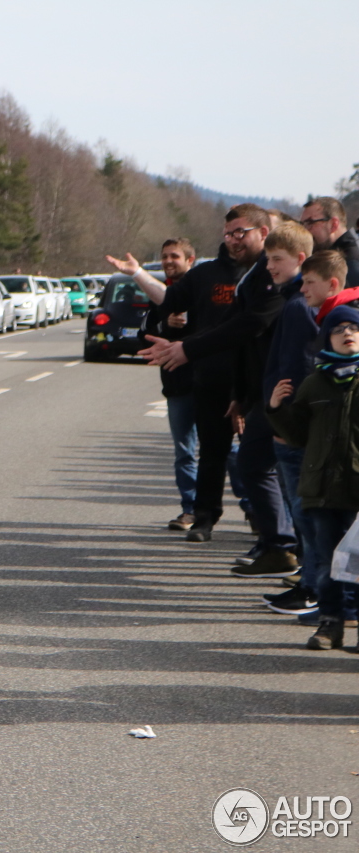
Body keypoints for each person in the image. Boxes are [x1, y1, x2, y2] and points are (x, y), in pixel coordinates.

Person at [130, 205, 282, 546]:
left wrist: (188, 347)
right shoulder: (204, 275)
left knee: (259, 461)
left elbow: (248, 326)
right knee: (212, 454)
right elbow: (169, 300)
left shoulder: (269, 276)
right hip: (211, 380)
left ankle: (266, 525)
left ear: (264, 232)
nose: (232, 240)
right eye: (228, 234)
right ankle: (205, 517)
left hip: (257, 384)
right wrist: (138, 274)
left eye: (240, 232)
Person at [267, 305, 359, 650]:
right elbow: (298, 435)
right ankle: (330, 624)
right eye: (339, 329)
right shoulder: (315, 382)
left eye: (353, 328)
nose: (347, 333)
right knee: (327, 561)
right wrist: (277, 410)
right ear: (328, 338)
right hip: (323, 489)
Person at [257, 242, 335, 617]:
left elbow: (301, 367)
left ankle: (318, 593)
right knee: (305, 517)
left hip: (298, 431)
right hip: (290, 424)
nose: (304, 289)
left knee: (309, 517)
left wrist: (288, 417)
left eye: (276, 259)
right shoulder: (301, 306)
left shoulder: (306, 311)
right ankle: (313, 587)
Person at [113, 238, 198, 531]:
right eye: (164, 257)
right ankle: (190, 510)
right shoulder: (159, 295)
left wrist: (188, 329)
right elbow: (145, 333)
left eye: (175, 256)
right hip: (176, 386)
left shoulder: (204, 289)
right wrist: (166, 327)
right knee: (184, 451)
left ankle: (253, 507)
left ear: (191, 259)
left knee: (226, 450)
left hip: (211, 383)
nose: (168, 261)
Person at [299, 197, 359, 287]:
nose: (305, 230)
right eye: (302, 224)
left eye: (310, 222)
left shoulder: (352, 262)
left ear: (333, 224)